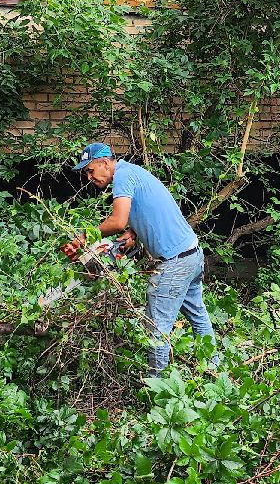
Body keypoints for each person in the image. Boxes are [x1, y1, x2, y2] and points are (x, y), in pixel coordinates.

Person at [71, 143, 215, 373]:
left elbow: (117, 221)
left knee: (155, 327)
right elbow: (149, 209)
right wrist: (134, 233)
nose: (89, 177)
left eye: (90, 170)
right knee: (197, 315)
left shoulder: (123, 178)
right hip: (192, 254)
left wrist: (84, 237)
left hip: (175, 262)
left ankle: (156, 386)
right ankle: (214, 369)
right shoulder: (133, 171)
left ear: (105, 163)